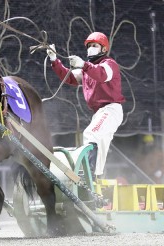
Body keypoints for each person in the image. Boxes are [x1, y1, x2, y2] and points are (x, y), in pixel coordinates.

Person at [46, 32, 125, 179]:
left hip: (111, 109)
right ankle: (95, 178)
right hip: (100, 113)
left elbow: (101, 74)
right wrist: (54, 60)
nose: (90, 48)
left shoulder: (109, 64)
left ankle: (88, 176)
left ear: (104, 49)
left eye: (94, 45)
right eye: (89, 46)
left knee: (91, 134)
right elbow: (68, 77)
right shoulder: (87, 70)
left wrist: (83, 64)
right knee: (99, 144)